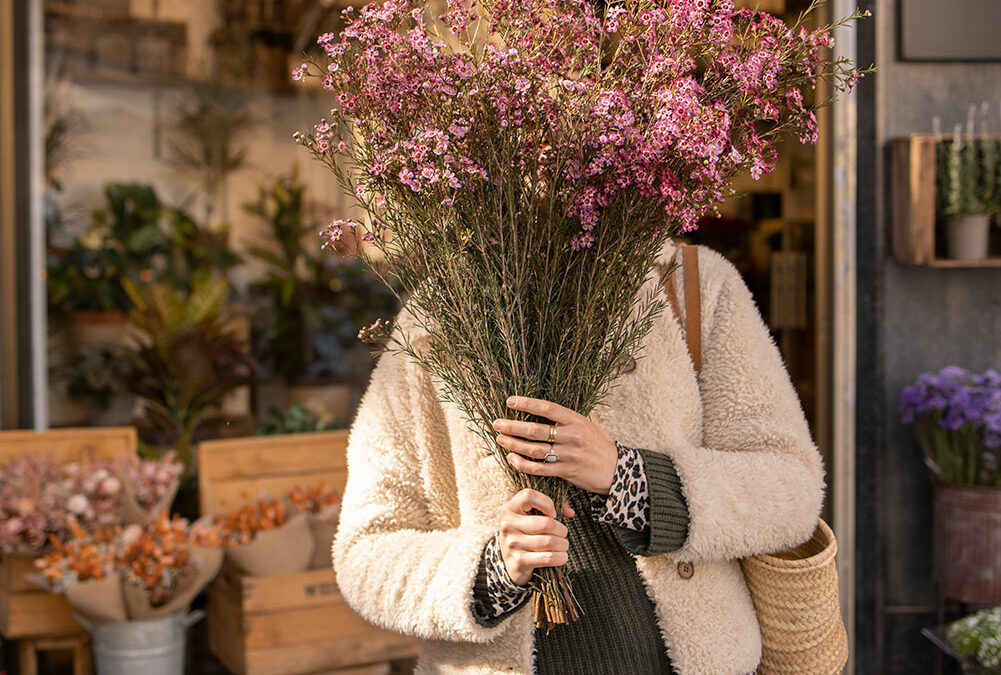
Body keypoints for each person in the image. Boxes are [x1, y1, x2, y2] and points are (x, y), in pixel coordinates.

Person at [331, 239, 826, 674]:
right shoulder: (437, 319)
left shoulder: (690, 284)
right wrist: (490, 570)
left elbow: (793, 486)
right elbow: (365, 553)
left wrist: (628, 477)